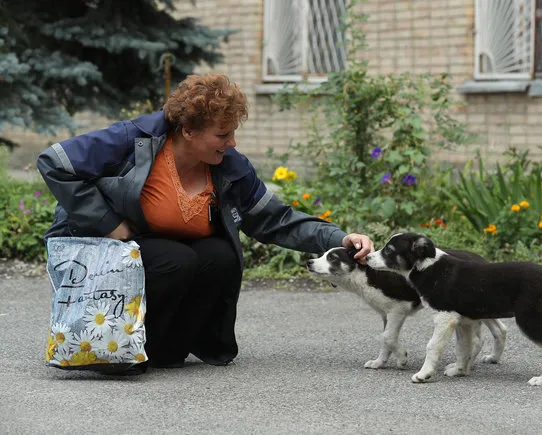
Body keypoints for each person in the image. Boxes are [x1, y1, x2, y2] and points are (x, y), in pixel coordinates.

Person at [37, 72, 373, 372]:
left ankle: (166, 349)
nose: (233, 143)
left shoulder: (229, 167)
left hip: (160, 253)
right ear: (188, 131)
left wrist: (338, 238)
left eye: (233, 132)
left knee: (219, 255)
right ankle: (117, 351)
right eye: (222, 134)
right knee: (176, 259)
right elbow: (54, 161)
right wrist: (109, 223)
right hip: (113, 251)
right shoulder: (132, 140)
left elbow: (277, 219)